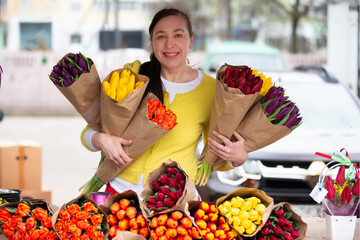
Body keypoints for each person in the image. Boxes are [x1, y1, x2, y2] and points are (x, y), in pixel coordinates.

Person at [81, 7, 248, 195]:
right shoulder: (133, 77)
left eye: (178, 35)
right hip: (120, 196)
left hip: (174, 201)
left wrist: (239, 157)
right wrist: (101, 140)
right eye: (161, 36)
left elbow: (221, 148)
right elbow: (90, 131)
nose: (169, 44)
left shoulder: (213, 91)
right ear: (152, 43)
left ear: (191, 40)